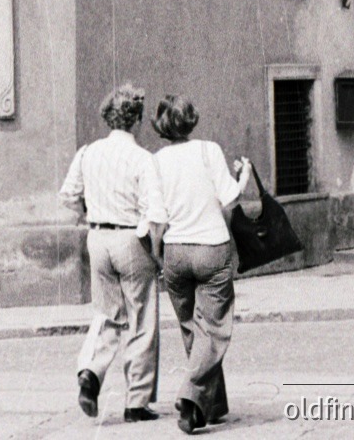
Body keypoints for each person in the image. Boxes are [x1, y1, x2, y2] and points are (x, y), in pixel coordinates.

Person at [59, 84, 167, 423]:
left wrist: (89, 213)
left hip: (98, 236)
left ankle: (91, 371)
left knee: (106, 312)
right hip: (130, 239)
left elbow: (68, 195)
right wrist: (158, 252)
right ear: (135, 120)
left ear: (109, 117)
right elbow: (155, 213)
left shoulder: (88, 152)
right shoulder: (142, 159)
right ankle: (136, 400)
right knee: (142, 317)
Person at [152, 96, 252, 434]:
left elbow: (154, 219)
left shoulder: (157, 161)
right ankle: (191, 397)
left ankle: (212, 405)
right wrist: (244, 177)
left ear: (162, 125)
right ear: (191, 120)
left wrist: (157, 258)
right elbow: (230, 199)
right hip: (211, 247)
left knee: (193, 331)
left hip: (175, 251)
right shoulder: (208, 150)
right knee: (214, 328)